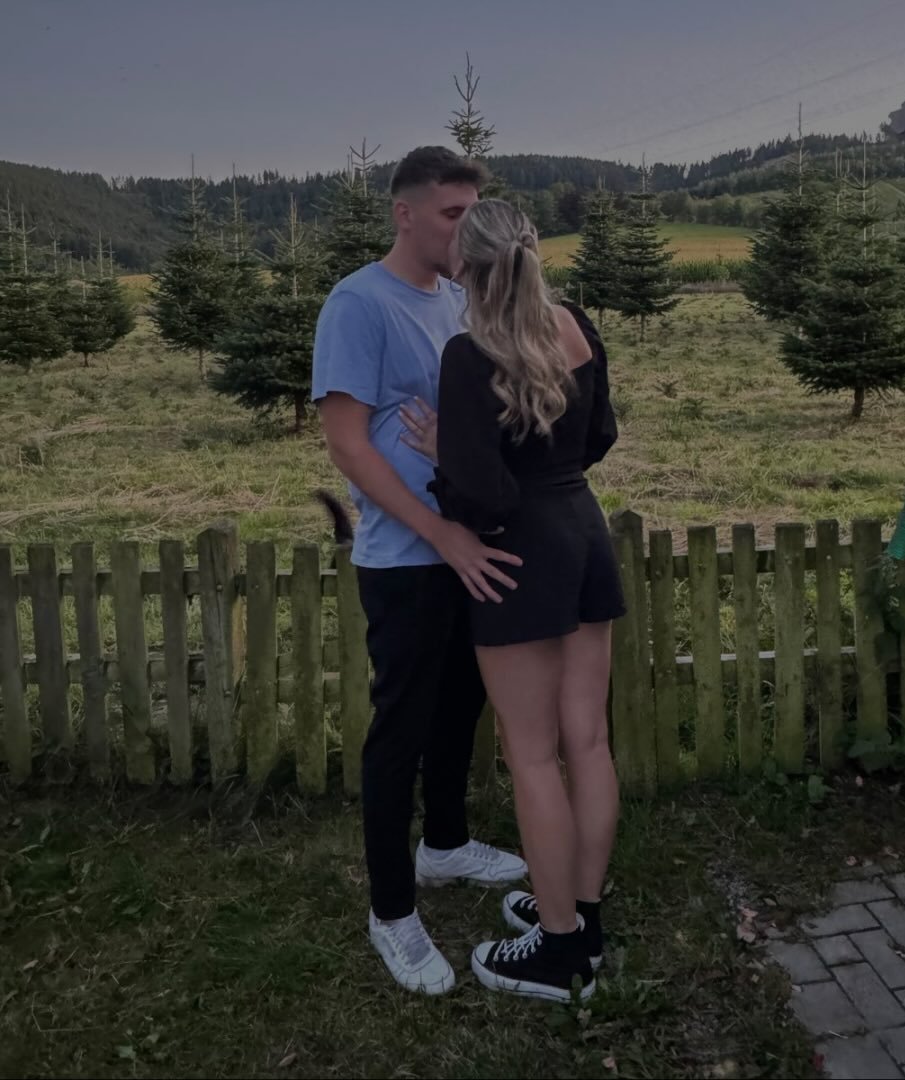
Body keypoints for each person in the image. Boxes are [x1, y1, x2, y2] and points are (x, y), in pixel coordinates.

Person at [311, 147, 528, 997]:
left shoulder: (460, 301)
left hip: (467, 549)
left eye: (474, 212)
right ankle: (392, 912)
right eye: (452, 214)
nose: (467, 231)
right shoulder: (358, 304)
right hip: (407, 560)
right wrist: (440, 532)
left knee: (460, 706)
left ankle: (444, 844)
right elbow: (348, 444)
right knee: (399, 730)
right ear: (404, 214)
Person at [422, 198, 624, 1002]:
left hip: (518, 557)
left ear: (465, 270)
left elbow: (482, 496)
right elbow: (600, 436)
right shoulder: (575, 326)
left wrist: (445, 452)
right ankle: (581, 917)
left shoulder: (469, 355)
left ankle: (560, 953)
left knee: (533, 755)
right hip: (585, 534)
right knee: (590, 743)